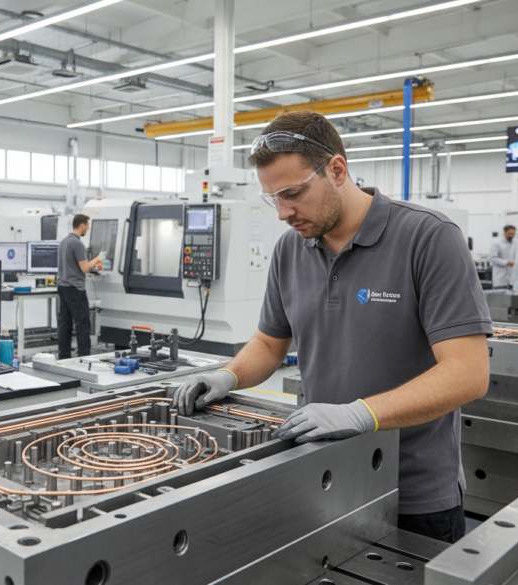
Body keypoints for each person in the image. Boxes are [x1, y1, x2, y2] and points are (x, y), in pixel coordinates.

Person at [172, 111, 491, 544]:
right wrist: (227, 375)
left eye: (293, 193)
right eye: (273, 198)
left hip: (413, 494)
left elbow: (468, 373)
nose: (284, 212)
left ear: (337, 170)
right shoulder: (290, 248)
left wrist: (361, 414)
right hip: (319, 474)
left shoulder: (428, 237)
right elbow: (269, 342)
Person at [57, 214, 105, 359]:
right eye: (87, 227)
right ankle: (84, 356)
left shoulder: (64, 242)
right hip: (75, 290)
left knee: (65, 324)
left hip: (63, 287)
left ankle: (63, 356)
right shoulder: (77, 244)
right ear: (82, 226)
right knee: (82, 324)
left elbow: (73, 266)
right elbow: (84, 268)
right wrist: (98, 259)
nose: (87, 230)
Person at [489, 225, 517, 289]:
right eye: (509, 234)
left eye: (513, 234)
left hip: (512, 280)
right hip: (500, 278)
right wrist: (507, 262)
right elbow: (493, 259)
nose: (511, 235)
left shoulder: (515, 243)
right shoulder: (497, 243)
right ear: (504, 233)